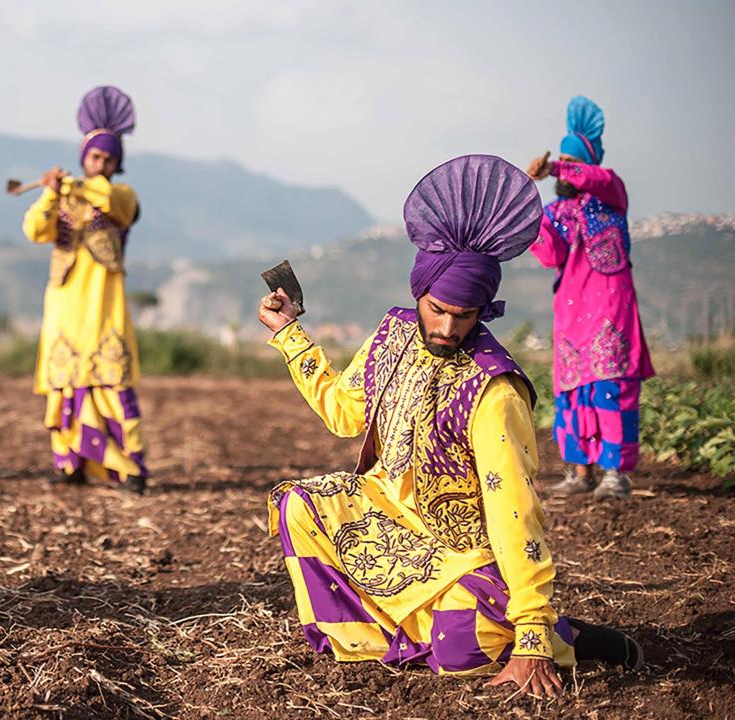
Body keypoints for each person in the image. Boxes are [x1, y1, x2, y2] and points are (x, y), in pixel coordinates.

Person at [260, 155, 641, 697]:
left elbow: (516, 509)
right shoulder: (392, 335)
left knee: (463, 650)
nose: (446, 327)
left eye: (465, 315)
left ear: (483, 309)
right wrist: (290, 335)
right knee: (299, 504)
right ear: (419, 291)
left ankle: (563, 637)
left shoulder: (495, 390)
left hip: (463, 554)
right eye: (438, 309)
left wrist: (531, 629)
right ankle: (401, 631)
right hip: (390, 520)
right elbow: (345, 414)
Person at [22, 86, 147, 494]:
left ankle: (127, 468)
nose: (102, 164)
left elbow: (115, 204)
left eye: (110, 158)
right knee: (64, 387)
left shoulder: (121, 195)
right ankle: (68, 463)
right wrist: (49, 193)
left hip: (105, 308)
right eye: (96, 156)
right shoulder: (62, 196)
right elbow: (34, 230)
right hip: (64, 307)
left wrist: (77, 185)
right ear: (83, 156)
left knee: (111, 386)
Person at [527, 96, 654, 500]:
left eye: (572, 161)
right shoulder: (555, 211)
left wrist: (556, 167)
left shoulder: (612, 194)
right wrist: (526, 215)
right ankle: (580, 473)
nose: (565, 170)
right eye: (562, 161)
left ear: (587, 164)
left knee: (610, 389)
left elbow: (597, 180)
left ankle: (615, 474)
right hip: (570, 312)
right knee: (574, 393)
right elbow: (550, 254)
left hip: (610, 313)